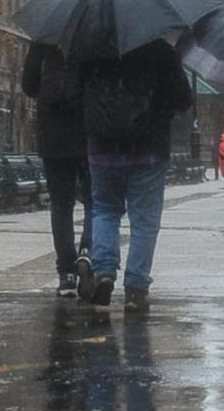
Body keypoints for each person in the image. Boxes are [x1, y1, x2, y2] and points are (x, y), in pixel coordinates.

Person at [78, 39, 194, 311]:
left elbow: (76, 92)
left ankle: (104, 272)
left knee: (105, 210)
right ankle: (135, 288)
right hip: (148, 148)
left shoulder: (92, 47)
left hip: (103, 147)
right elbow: (183, 98)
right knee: (144, 220)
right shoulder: (159, 49)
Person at [22, 42, 93, 298]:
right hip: (89, 131)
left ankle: (66, 274)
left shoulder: (45, 37)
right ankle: (88, 252)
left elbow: (29, 85)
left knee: (61, 205)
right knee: (95, 202)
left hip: (53, 134)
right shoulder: (94, 33)